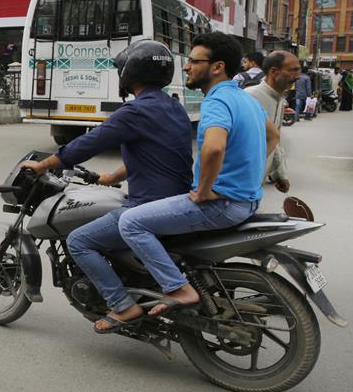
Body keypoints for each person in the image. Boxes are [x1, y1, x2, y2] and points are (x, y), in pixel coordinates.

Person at [20, 40, 193, 327]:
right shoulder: (174, 108)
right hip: (176, 201)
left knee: (79, 240)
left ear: (129, 73)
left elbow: (85, 145)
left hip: (149, 205)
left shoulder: (134, 112)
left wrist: (42, 165)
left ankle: (121, 305)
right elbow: (155, 153)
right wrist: (113, 177)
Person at [116, 32, 279, 316]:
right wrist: (247, 170)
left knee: (130, 223)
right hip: (247, 200)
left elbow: (214, 148)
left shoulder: (216, 100)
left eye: (193, 60)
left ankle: (177, 288)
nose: (187, 66)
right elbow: (273, 136)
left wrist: (204, 190)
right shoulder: (246, 99)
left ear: (217, 67)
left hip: (221, 204)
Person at [245, 51, 299, 193]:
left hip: (257, 184)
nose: (297, 76)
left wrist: (280, 174)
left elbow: (274, 141)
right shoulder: (250, 97)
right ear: (274, 72)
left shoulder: (279, 100)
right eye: (292, 70)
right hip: (242, 184)